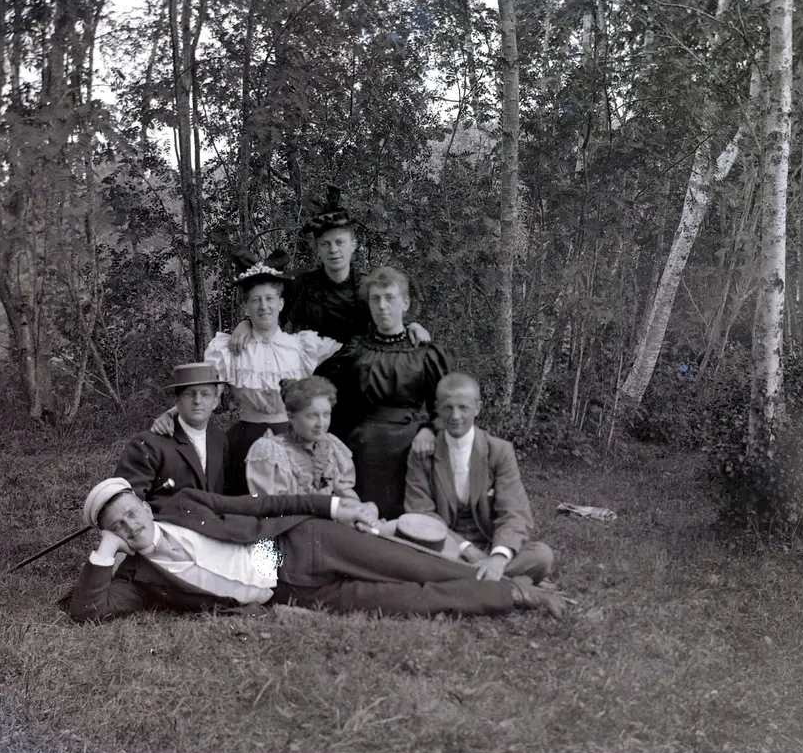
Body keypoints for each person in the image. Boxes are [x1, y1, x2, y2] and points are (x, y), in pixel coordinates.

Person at [61, 476, 569, 623]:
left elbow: (262, 502)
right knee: (413, 602)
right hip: (291, 593)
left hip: (300, 543)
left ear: (145, 506)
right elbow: (86, 611)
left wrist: (330, 507)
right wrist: (103, 556)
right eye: (116, 527)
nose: (130, 524)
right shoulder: (139, 580)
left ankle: (521, 588)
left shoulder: (185, 502)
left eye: (131, 512)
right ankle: (516, 594)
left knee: (418, 565)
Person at [227, 192, 431, 439]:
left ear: (353, 245)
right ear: (318, 250)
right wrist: (246, 324)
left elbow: (388, 320)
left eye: (340, 242)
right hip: (316, 384)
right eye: (325, 244)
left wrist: (411, 327)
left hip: (362, 386)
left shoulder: (369, 287)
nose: (334, 250)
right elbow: (269, 316)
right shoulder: (301, 286)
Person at [150, 253, 343, 493]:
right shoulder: (230, 349)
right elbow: (207, 390)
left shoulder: (302, 347)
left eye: (270, 298)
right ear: (247, 306)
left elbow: (347, 337)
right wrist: (170, 415)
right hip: (245, 441)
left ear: (281, 304)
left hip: (295, 436)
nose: (264, 306)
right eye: (255, 300)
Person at [316, 265, 450, 523]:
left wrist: (429, 430)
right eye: (376, 299)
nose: (383, 306)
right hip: (363, 444)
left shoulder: (424, 352)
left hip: (411, 443)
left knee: (407, 518)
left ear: (405, 303)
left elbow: (444, 404)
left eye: (390, 298)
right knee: (366, 518)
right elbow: (323, 389)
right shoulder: (356, 349)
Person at [404, 373, 555, 584]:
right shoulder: (422, 454)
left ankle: (465, 579)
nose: (455, 416)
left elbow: (514, 513)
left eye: (463, 407)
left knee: (541, 555)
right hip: (446, 545)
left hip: (490, 543)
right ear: (437, 408)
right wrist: (467, 550)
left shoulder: (499, 451)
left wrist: (498, 558)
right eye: (448, 407)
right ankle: (503, 583)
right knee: (410, 554)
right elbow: (421, 514)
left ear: (478, 407)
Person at [116, 363, 232, 500]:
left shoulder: (220, 441)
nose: (197, 401)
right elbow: (127, 503)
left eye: (205, 394)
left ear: (215, 402)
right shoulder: (147, 445)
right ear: (177, 401)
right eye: (190, 394)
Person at [245, 376, 357, 501]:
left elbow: (345, 494)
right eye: (312, 416)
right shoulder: (271, 451)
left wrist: (362, 509)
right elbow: (272, 506)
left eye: (326, 415)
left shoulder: (332, 446)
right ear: (291, 417)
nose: (321, 424)